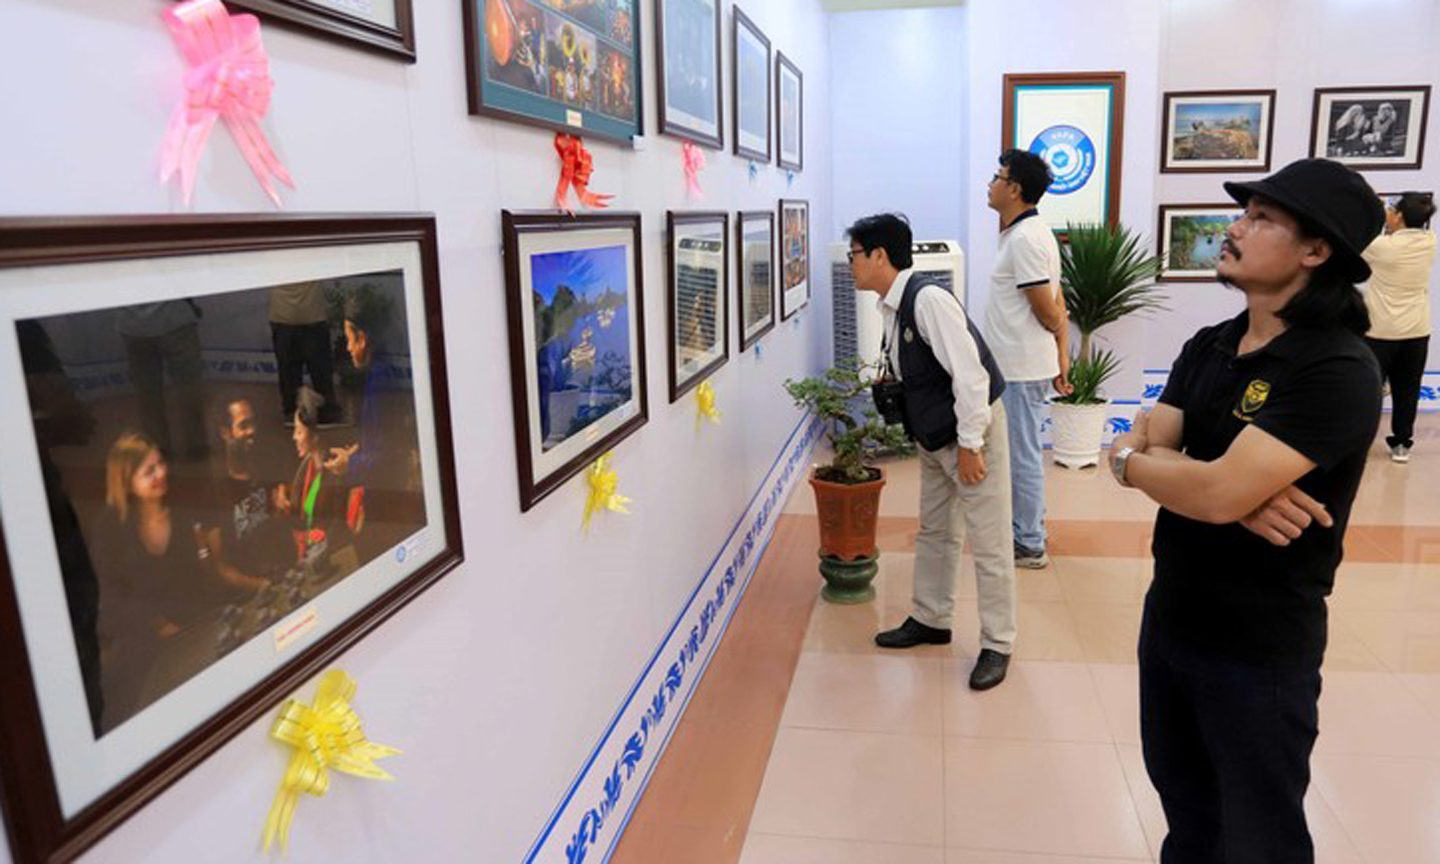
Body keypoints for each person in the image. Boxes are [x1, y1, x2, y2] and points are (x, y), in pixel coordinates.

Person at [1107, 158, 1385, 862]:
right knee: (1188, 815)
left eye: (1262, 219)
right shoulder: (1211, 344)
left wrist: (1202, 486)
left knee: (1260, 837)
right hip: (1171, 620)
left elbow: (1202, 485)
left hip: (1258, 649)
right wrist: (1204, 482)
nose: (1235, 228)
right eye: (1245, 213)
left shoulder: (1336, 367)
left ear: (1316, 251)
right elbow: (1157, 443)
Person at [855, 213, 1017, 691]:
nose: (851, 265)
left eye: (855, 255)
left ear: (879, 256)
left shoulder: (927, 300)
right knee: (936, 531)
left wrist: (971, 446)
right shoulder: (893, 305)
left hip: (970, 432)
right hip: (934, 434)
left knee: (988, 542)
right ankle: (930, 618)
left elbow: (972, 377)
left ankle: (998, 643)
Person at [92, 432, 226, 729]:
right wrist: (158, 626)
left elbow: (197, 582)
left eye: (160, 464)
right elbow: (113, 596)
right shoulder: (110, 529)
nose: (161, 473)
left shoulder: (179, 516)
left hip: (190, 632)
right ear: (126, 481)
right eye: (148, 470)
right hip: (141, 645)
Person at [981, 149, 1071, 569]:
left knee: (1022, 455)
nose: (991, 183)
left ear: (1014, 189)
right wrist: (1062, 354)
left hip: (1020, 368)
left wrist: (1059, 347)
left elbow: (1051, 309)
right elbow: (1057, 301)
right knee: (1020, 452)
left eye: (997, 177)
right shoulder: (1022, 234)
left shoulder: (1027, 238)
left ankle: (1031, 542)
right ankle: (1026, 530)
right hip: (1015, 367)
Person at [1361, 191, 1436, 462]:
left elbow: (1358, 250)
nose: (1389, 213)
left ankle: (1359, 443)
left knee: (1369, 390)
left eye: (1392, 209)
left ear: (1401, 216)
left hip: (1381, 331)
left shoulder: (1381, 247)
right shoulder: (1429, 241)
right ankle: (1402, 445)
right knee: (1408, 390)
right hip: (1417, 331)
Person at [201, 396, 292, 591]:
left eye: (253, 422)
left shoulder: (262, 461)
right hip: (253, 592)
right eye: (244, 425)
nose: (252, 430)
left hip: (286, 569)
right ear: (225, 433)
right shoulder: (214, 491)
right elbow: (221, 567)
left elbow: (277, 508)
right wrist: (262, 586)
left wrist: (282, 501)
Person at [117, 300, 208, 462]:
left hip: (134, 325)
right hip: (175, 320)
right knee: (188, 387)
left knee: (147, 391)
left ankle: (159, 446)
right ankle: (196, 445)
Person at [269, 281, 341, 428]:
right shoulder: (314, 257)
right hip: (311, 317)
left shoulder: (271, 258)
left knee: (289, 371)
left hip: (284, 317)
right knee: (320, 370)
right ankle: (326, 413)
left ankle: (292, 413)